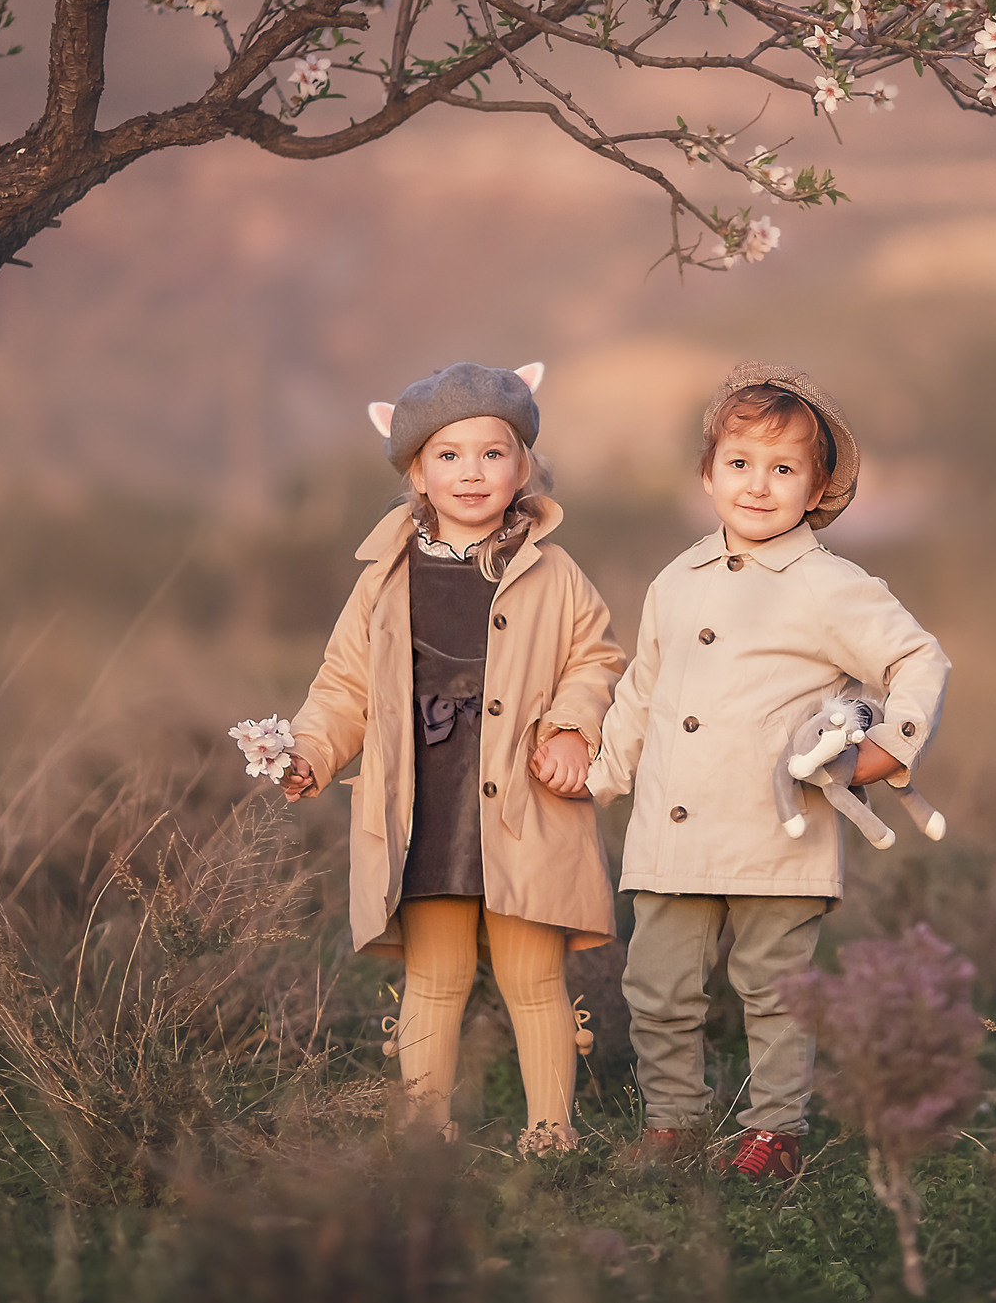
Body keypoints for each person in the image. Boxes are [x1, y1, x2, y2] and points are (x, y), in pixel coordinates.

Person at [589, 361, 951, 1181]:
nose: (758, 485)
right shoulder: (673, 580)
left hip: (777, 832)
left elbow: (916, 656)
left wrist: (889, 745)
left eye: (783, 468)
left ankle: (774, 1130)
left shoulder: (830, 585)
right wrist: (601, 776)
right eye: (740, 464)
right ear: (707, 474)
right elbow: (641, 690)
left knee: (774, 988)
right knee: (658, 988)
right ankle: (674, 1124)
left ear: (817, 486)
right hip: (672, 832)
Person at [275, 361, 621, 1152]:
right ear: (416, 472)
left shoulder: (553, 570)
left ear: (522, 464)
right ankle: (425, 1136)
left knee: (534, 980)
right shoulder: (383, 577)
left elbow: (594, 659)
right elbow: (343, 685)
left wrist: (571, 728)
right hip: (423, 805)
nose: (472, 471)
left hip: (524, 802)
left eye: (492, 453)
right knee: (434, 977)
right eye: (448, 455)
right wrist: (309, 752)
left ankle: (551, 1133)